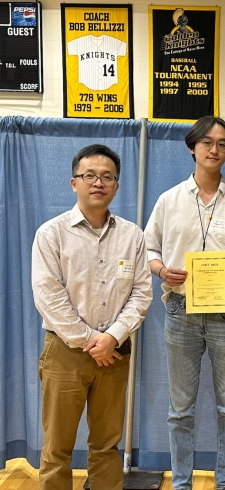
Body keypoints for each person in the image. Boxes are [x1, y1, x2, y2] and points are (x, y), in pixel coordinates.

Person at [144, 116, 225, 490]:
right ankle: (181, 484)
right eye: (207, 142)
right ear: (192, 147)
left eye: (222, 143)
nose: (214, 149)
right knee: (180, 412)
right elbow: (150, 247)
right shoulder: (169, 200)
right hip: (180, 312)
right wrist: (161, 270)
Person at [31, 144, 153, 490]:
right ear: (74, 183)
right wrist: (90, 341)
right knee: (57, 448)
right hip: (65, 353)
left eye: (107, 177)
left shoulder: (133, 236)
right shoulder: (51, 233)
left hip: (114, 353)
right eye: (89, 176)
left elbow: (141, 293)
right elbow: (48, 296)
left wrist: (112, 336)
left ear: (116, 186)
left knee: (106, 446)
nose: (98, 183)